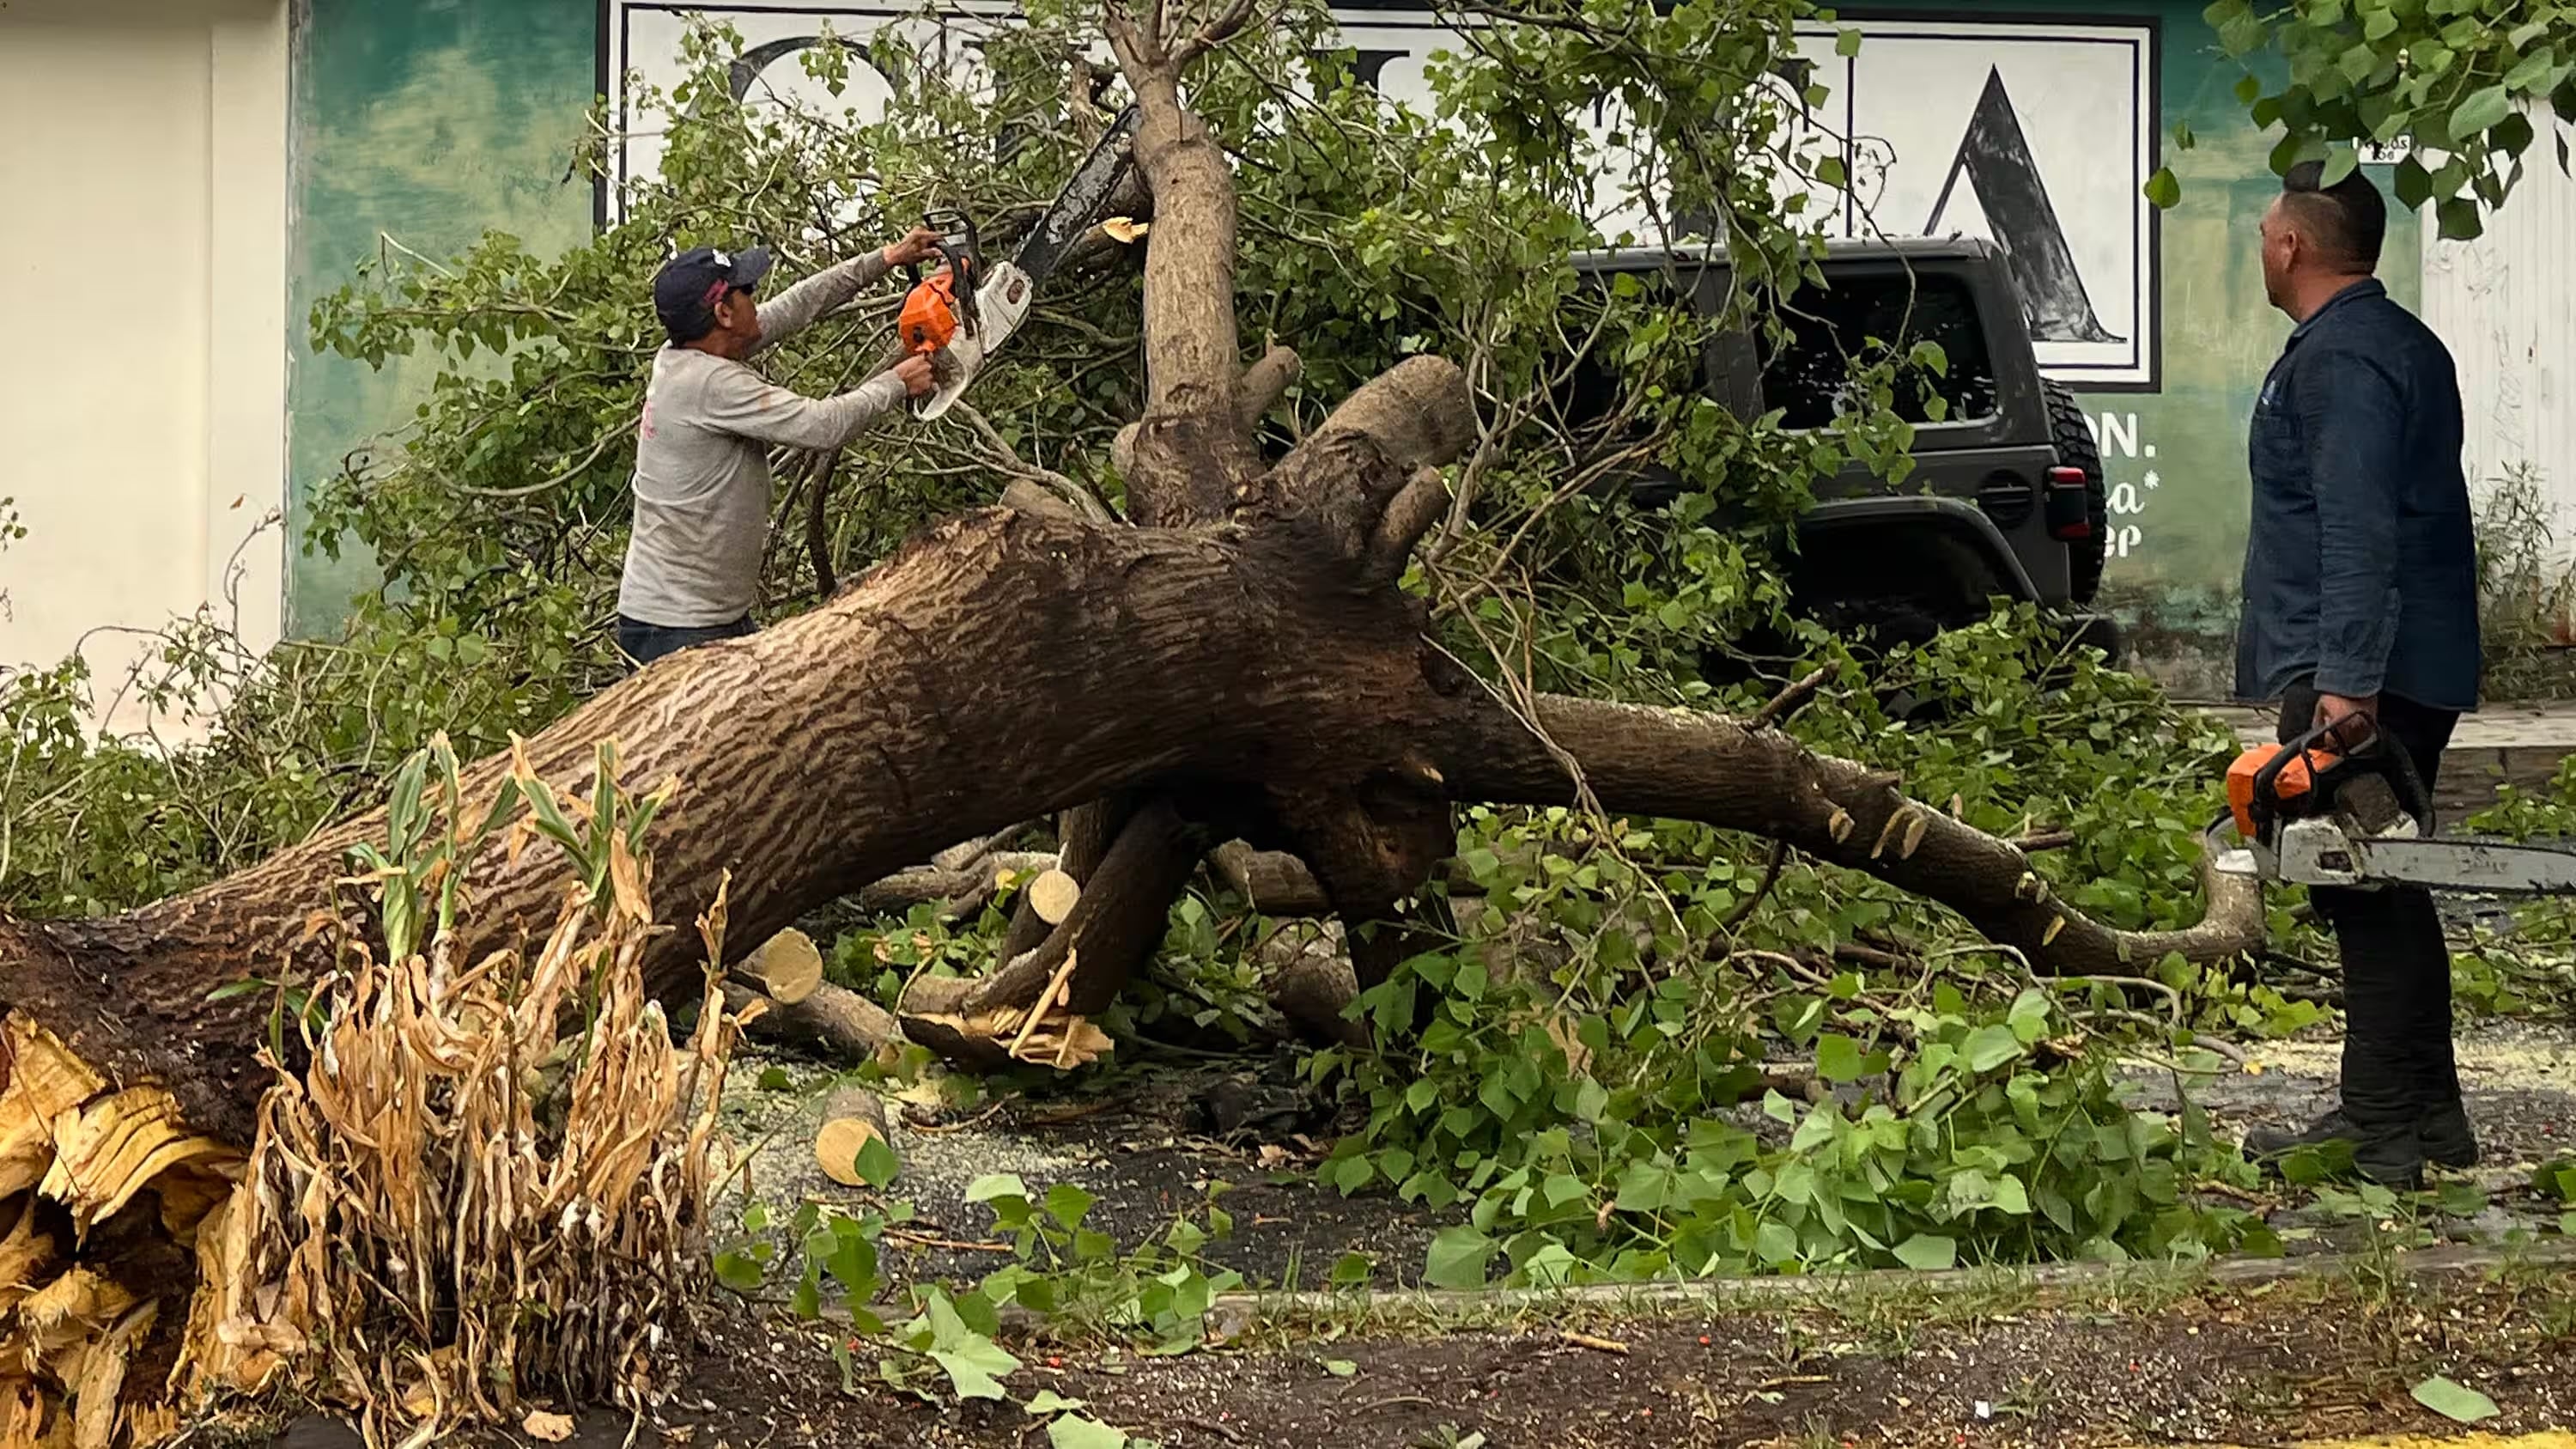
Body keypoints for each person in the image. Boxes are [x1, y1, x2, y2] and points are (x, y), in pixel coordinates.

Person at [2235, 161, 2482, 1188]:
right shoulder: (2388, 342)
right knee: (2387, 883)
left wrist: (2342, 692)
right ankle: (2427, 1118)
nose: (2261, 246)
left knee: (2362, 883)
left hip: (2364, 678)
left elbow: (2358, 530)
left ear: (2292, 244)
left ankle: (2379, 1128)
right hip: (2394, 664)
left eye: (2264, 232)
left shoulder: (2342, 361)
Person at [615, 229, 946, 669]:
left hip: (707, 617)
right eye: (746, 291)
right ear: (724, 313)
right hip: (677, 629)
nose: (756, 297)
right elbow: (822, 425)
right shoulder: (710, 384)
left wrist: (887, 258)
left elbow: (800, 304)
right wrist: (896, 383)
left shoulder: (692, 352)